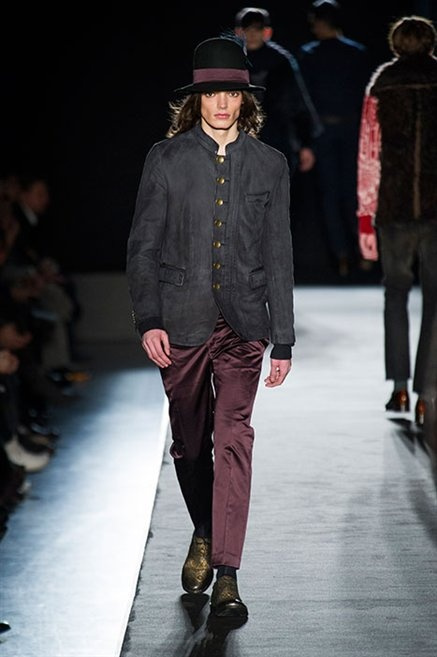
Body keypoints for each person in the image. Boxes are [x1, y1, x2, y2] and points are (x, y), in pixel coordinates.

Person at [126, 35, 295, 620]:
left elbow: (279, 255)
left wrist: (283, 337)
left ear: (245, 99)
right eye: (212, 93)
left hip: (244, 325)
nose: (222, 103)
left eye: (231, 93)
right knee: (191, 444)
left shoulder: (270, 165)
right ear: (196, 99)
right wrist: (149, 318)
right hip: (180, 322)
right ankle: (204, 528)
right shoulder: (166, 159)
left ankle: (227, 574)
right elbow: (143, 247)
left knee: (234, 437)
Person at [357, 15, 437, 427]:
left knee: (395, 296)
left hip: (393, 208)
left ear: (396, 44)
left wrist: (365, 218)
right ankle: (427, 393)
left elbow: (369, 155)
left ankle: (400, 387)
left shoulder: (382, 85)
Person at [299, 0, 371, 277]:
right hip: (340, 131)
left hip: (336, 131)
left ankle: (349, 254)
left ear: (320, 22)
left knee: (340, 194)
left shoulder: (316, 54)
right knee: (347, 194)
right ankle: (352, 254)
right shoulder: (352, 53)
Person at [234, 7, 322, 177]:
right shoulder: (228, 61)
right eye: (247, 29)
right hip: (237, 139)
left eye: (257, 28)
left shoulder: (281, 62)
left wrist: (306, 145)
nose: (252, 34)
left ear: (267, 32)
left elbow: (298, 103)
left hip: (277, 139)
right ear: (238, 32)